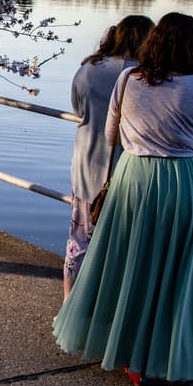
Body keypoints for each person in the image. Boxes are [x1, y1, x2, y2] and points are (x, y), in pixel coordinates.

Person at [52, 12, 193, 386]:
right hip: (183, 183)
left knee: (132, 265)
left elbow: (110, 133)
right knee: (177, 273)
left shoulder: (127, 79)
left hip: (133, 178)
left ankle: (127, 354)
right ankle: (172, 361)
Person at [63, 15, 155, 299]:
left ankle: (70, 304)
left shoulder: (89, 68)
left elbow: (78, 108)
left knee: (79, 241)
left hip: (87, 161)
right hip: (130, 169)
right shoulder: (147, 75)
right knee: (123, 246)